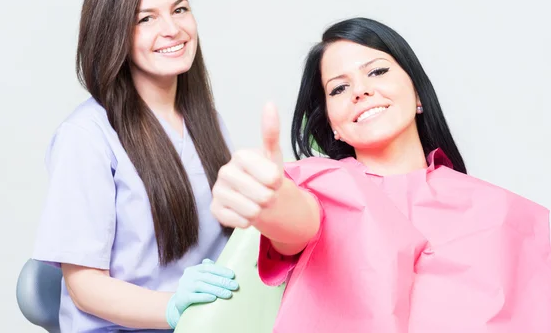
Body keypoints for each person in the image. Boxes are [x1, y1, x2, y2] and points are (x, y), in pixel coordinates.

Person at [210, 17, 551, 332]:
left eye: (376, 72)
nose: (360, 91)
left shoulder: (501, 210)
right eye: (339, 89)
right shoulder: (324, 186)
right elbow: (295, 219)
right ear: (333, 124)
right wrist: (271, 201)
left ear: (417, 93)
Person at [32, 0, 239, 332]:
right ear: (114, 34)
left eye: (179, 10)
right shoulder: (87, 137)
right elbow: (84, 287)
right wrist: (172, 306)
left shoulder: (208, 124)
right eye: (146, 19)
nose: (173, 29)